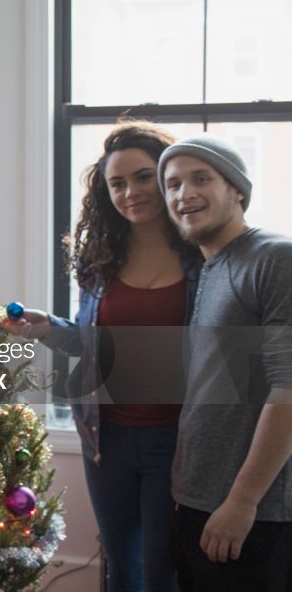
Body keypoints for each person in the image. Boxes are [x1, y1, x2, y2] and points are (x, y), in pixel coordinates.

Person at [3, 121, 201, 591]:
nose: (130, 191)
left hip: (176, 441)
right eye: (117, 183)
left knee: (162, 571)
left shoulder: (203, 258)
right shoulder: (100, 260)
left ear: (169, 178)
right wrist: (48, 327)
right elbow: (94, 345)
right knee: (119, 567)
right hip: (104, 437)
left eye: (143, 176)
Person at [158, 137, 292, 591]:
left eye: (201, 179)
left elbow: (288, 388)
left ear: (236, 189)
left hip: (255, 516)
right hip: (197, 502)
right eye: (172, 185)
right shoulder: (211, 271)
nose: (183, 194)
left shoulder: (275, 259)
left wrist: (242, 500)